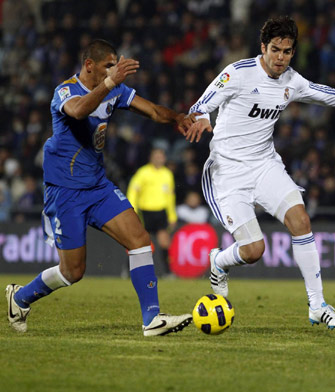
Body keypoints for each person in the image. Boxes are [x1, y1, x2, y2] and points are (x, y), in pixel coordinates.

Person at [185, 16, 335, 329]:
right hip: (228, 172)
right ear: (263, 47)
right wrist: (202, 117)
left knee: (300, 219)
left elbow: (327, 94)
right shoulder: (238, 73)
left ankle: (317, 304)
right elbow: (201, 104)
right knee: (254, 250)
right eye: (275, 50)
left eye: (287, 51)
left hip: (264, 165)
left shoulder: (292, 81)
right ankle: (219, 261)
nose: (280, 58)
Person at [6, 39, 195, 336]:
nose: (115, 70)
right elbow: (79, 111)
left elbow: (154, 111)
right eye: (109, 65)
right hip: (65, 192)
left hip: (97, 186)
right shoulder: (65, 91)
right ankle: (20, 298)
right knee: (72, 272)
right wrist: (110, 82)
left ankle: (151, 319)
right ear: (89, 65)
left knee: (140, 239)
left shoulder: (115, 89)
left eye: (115, 64)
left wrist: (178, 118)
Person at [127, 147, 177, 275]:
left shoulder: (167, 174)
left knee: (164, 242)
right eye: (156, 156)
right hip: (145, 212)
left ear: (164, 158)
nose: (158, 159)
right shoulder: (143, 173)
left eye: (161, 156)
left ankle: (168, 272)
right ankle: (131, 270)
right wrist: (132, 210)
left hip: (161, 212)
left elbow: (170, 196)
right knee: (140, 243)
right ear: (151, 158)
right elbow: (133, 191)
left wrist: (172, 216)